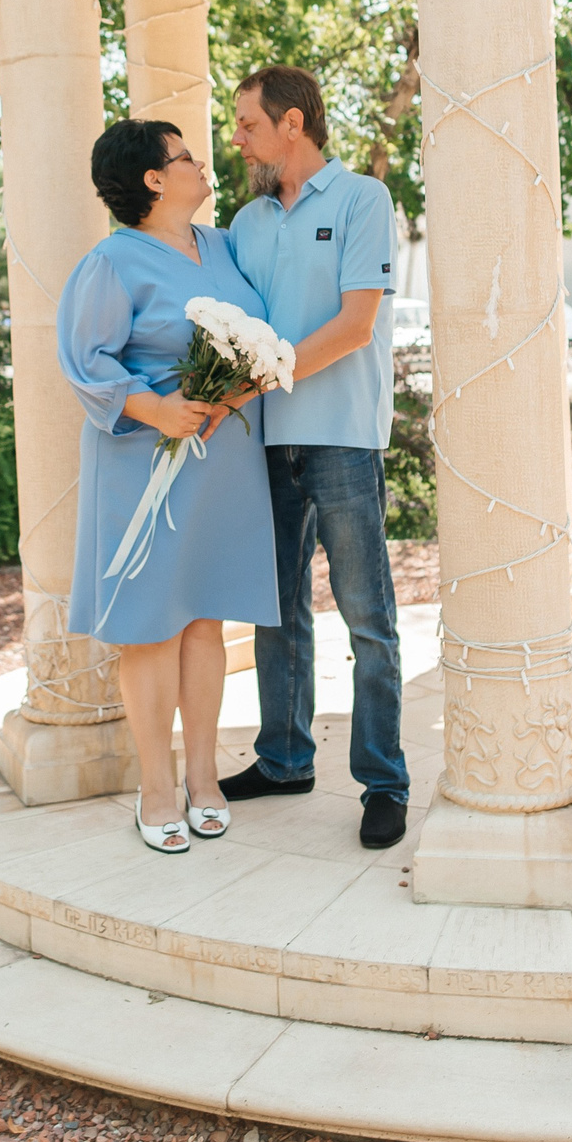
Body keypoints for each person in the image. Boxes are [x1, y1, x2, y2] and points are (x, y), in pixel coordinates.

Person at [59, 119, 282, 855]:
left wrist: (236, 388)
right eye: (185, 155)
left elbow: (255, 335)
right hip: (143, 463)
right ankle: (156, 787)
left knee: (205, 619)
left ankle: (203, 776)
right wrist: (156, 407)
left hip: (222, 465)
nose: (201, 162)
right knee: (150, 628)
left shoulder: (221, 245)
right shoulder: (112, 264)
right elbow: (85, 359)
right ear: (155, 179)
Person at [216, 66, 409, 851]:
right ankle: (285, 757)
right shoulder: (246, 220)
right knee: (278, 610)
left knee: (368, 616)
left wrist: (270, 365)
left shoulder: (365, 199)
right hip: (266, 438)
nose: (238, 137)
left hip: (343, 437)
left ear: (293, 124)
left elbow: (357, 323)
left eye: (248, 124)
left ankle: (383, 782)